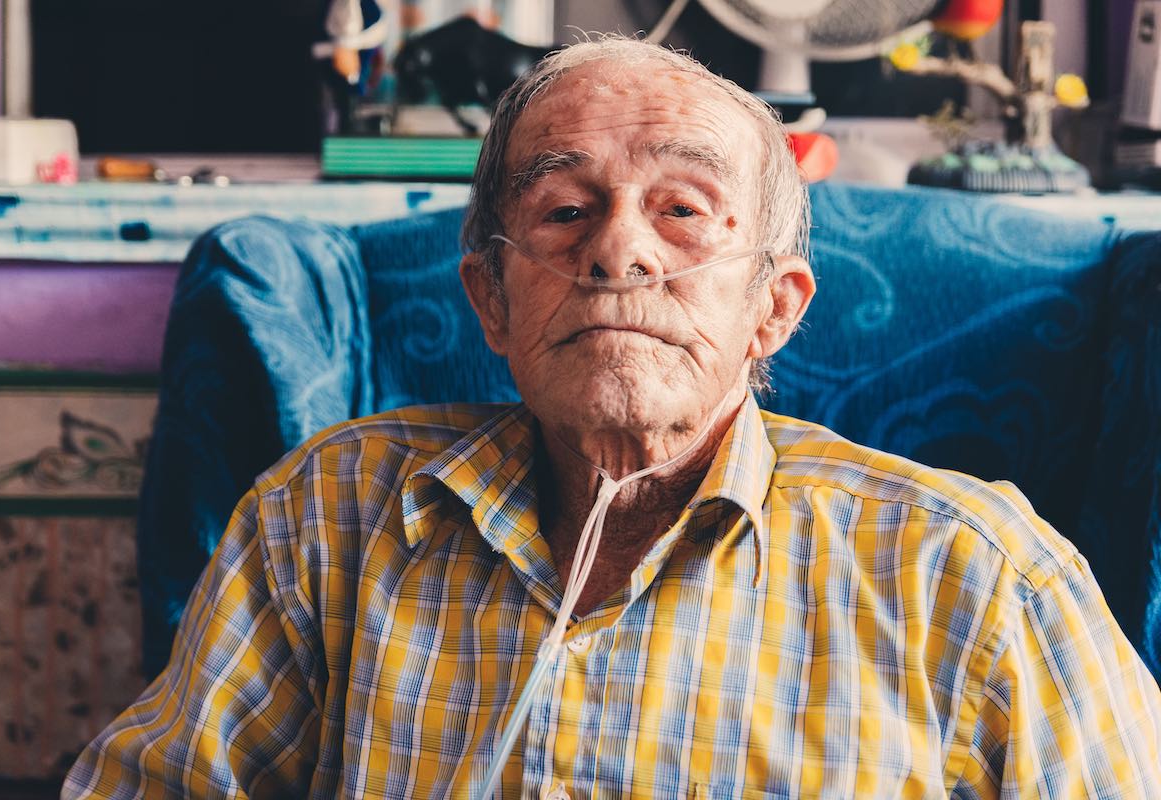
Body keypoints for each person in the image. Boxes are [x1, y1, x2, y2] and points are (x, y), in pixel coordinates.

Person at [63, 37, 1161, 798]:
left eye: (683, 210)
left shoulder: (977, 580)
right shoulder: (328, 518)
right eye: (564, 210)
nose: (619, 251)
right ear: (491, 298)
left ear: (773, 308)